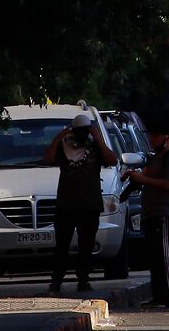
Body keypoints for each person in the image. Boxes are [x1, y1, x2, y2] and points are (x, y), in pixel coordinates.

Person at [43, 114, 118, 293]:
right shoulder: (64, 146)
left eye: (85, 131)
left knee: (86, 245)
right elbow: (48, 159)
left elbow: (112, 160)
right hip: (66, 205)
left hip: (89, 204)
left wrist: (98, 138)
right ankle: (56, 281)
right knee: (62, 245)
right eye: (79, 132)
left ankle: (83, 279)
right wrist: (59, 137)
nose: (82, 136)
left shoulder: (95, 146)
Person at [122, 132, 169, 308]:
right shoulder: (154, 159)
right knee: (154, 260)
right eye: (151, 137)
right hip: (149, 215)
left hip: (162, 214)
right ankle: (158, 296)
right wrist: (134, 177)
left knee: (164, 258)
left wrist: (144, 178)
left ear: (166, 138)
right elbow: (145, 177)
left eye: (156, 137)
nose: (152, 140)